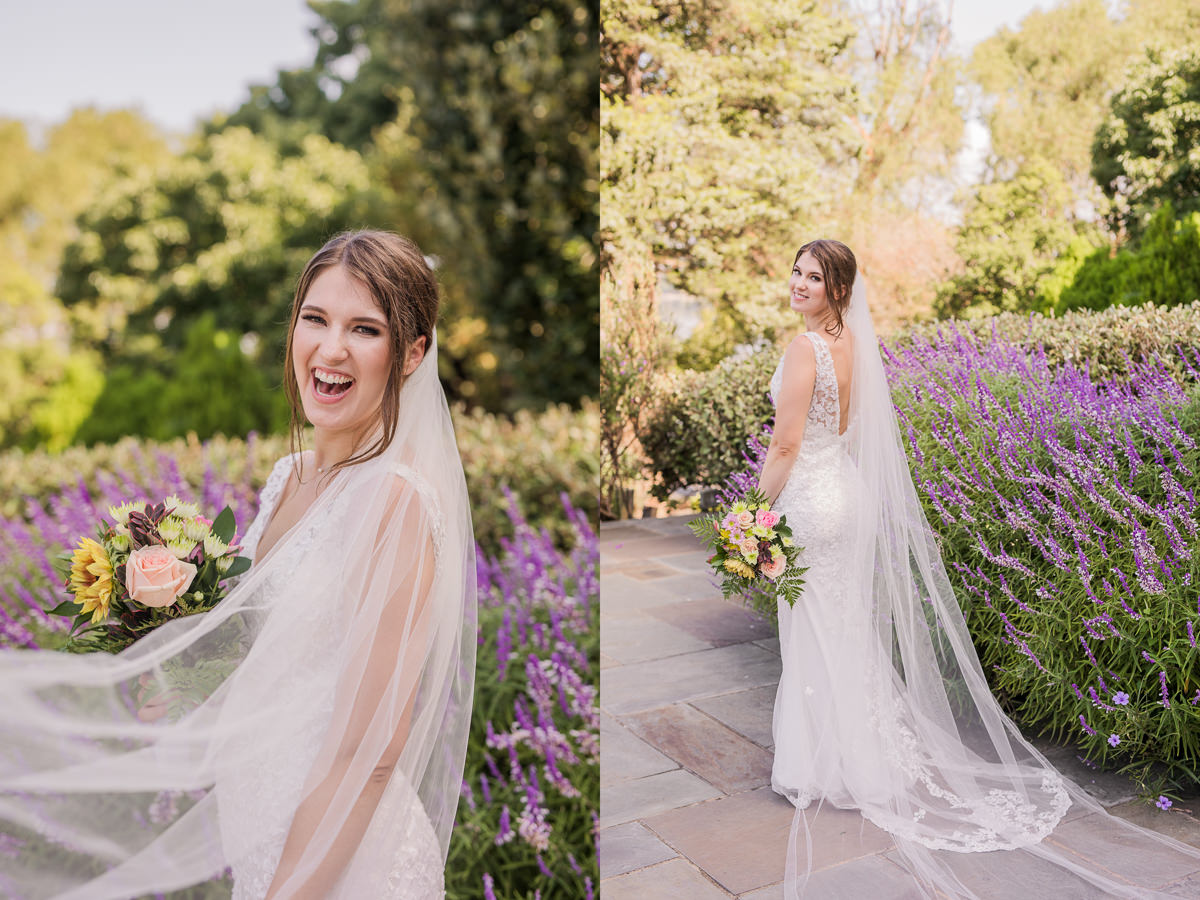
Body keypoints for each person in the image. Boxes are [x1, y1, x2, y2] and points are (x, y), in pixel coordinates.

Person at [0, 230, 477, 899]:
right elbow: (284, 664)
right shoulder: (290, 476)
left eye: (364, 329)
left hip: (342, 860)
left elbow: (368, 752)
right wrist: (190, 685)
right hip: (261, 829)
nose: (331, 348)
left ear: (411, 355)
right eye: (315, 319)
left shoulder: (393, 501)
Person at [760, 238, 1200, 898]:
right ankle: (865, 760)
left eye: (813, 276)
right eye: (796, 271)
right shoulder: (854, 346)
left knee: (816, 628)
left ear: (838, 290)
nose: (798, 283)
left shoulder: (805, 349)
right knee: (843, 627)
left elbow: (788, 442)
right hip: (846, 497)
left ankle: (825, 768)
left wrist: (753, 515)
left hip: (812, 503)